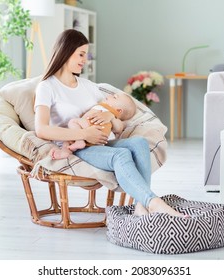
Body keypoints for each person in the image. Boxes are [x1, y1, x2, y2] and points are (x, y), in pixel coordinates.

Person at [34, 29, 188, 218]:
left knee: (139, 142)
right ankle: (153, 202)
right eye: (81, 54)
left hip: (101, 141)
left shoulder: (88, 86)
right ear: (66, 52)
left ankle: (141, 205)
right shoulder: (48, 87)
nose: (85, 60)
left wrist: (111, 118)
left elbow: (119, 121)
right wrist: (83, 135)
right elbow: (41, 129)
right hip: (77, 146)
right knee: (121, 155)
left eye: (86, 55)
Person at [49, 93, 137, 160]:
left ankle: (79, 141)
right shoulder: (103, 107)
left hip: (92, 131)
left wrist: (111, 115)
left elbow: (119, 128)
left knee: (73, 122)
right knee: (68, 141)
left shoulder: (108, 111)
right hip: (96, 139)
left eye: (114, 97)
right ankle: (65, 152)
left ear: (118, 110)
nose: (110, 95)